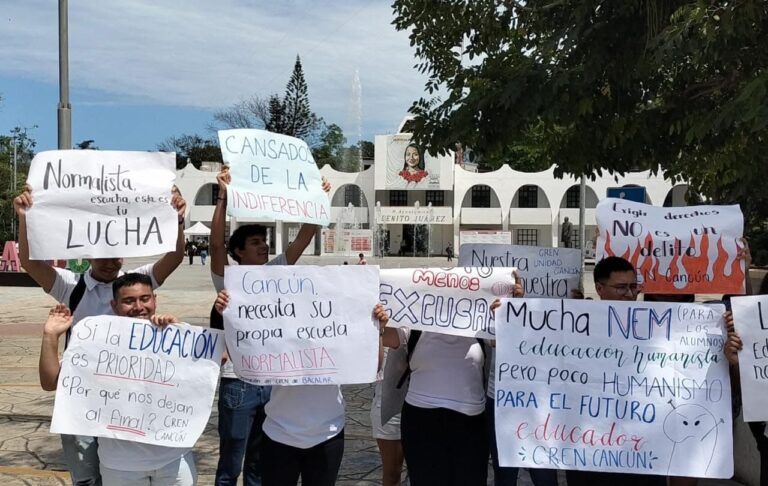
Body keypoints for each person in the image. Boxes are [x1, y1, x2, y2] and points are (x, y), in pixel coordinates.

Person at [13, 184, 186, 486]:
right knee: (87, 475)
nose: (111, 262)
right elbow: (29, 263)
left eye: (116, 256)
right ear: (87, 254)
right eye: (103, 256)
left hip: (127, 395)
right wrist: (25, 217)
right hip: (82, 398)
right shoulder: (70, 286)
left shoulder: (136, 283)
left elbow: (173, 258)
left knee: (124, 470)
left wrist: (178, 220)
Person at [209, 166, 331, 486]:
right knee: (230, 462)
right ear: (238, 251)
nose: (263, 246)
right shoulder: (228, 277)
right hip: (239, 381)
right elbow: (217, 247)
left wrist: (319, 199)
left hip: (274, 379)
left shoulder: (277, 269)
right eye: (254, 242)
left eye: (264, 241)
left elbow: (304, 236)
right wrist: (222, 196)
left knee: (260, 464)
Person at [215, 290, 390, 486]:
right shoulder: (279, 334)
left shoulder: (337, 334)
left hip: (328, 434)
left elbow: (372, 367)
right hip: (278, 433)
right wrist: (231, 317)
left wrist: (377, 330)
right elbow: (243, 359)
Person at [39, 273, 197, 485]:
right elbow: (50, 382)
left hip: (174, 460)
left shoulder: (174, 335)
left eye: (145, 298)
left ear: (155, 300)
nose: (138, 306)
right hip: (120, 465)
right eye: (128, 301)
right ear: (114, 305)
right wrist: (50, 336)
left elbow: (219, 361)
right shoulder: (96, 342)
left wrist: (181, 334)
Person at [380, 280, 521, 486]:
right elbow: (391, 338)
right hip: (421, 419)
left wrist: (514, 310)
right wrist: (380, 320)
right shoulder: (417, 316)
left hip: (470, 422)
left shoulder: (480, 319)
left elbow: (506, 341)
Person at [564, 256, 665, 486]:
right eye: (621, 287)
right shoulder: (575, 323)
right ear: (599, 288)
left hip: (642, 448)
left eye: (633, 287)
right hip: (590, 447)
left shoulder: (653, 326)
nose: (629, 294)